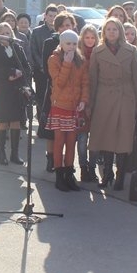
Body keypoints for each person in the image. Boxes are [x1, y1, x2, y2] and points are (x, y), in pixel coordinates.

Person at [89, 18, 137, 189]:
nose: (111, 32)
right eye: (108, 29)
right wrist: (90, 103)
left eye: (115, 29)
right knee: (106, 137)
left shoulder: (131, 50)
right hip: (104, 97)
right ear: (104, 32)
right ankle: (107, 174)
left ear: (120, 32)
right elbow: (93, 80)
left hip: (125, 97)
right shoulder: (97, 51)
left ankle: (120, 175)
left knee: (123, 138)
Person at [47, 29, 90, 190]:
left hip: (74, 107)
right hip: (59, 105)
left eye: (74, 43)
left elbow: (85, 83)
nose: (71, 46)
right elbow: (59, 82)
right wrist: (66, 63)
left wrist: (84, 100)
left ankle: (69, 174)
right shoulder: (53, 59)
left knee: (71, 142)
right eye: (68, 43)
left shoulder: (81, 60)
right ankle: (59, 176)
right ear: (61, 43)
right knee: (59, 142)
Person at [0, 22, 32, 165]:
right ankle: (2, 154)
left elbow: (26, 67)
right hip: (3, 89)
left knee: (15, 121)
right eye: (3, 33)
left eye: (8, 33)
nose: (6, 36)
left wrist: (21, 76)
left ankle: (14, 154)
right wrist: (10, 73)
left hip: (17, 89)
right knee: (2, 122)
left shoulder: (17, 48)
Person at [75, 25, 99, 183]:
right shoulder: (78, 55)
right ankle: (83, 167)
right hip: (81, 101)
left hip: (98, 100)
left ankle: (92, 167)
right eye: (87, 37)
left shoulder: (100, 54)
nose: (90, 40)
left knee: (95, 138)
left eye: (92, 37)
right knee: (82, 137)